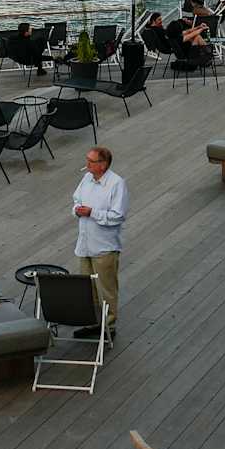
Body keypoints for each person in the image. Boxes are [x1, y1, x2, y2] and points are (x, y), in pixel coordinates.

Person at [70, 145, 127, 341]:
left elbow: (117, 216)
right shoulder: (87, 178)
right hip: (85, 244)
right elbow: (76, 199)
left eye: (91, 162)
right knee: (88, 287)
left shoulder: (117, 184)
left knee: (106, 289)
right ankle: (94, 323)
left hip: (104, 246)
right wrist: (77, 209)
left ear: (103, 165)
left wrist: (91, 213)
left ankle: (109, 326)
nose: (86, 165)